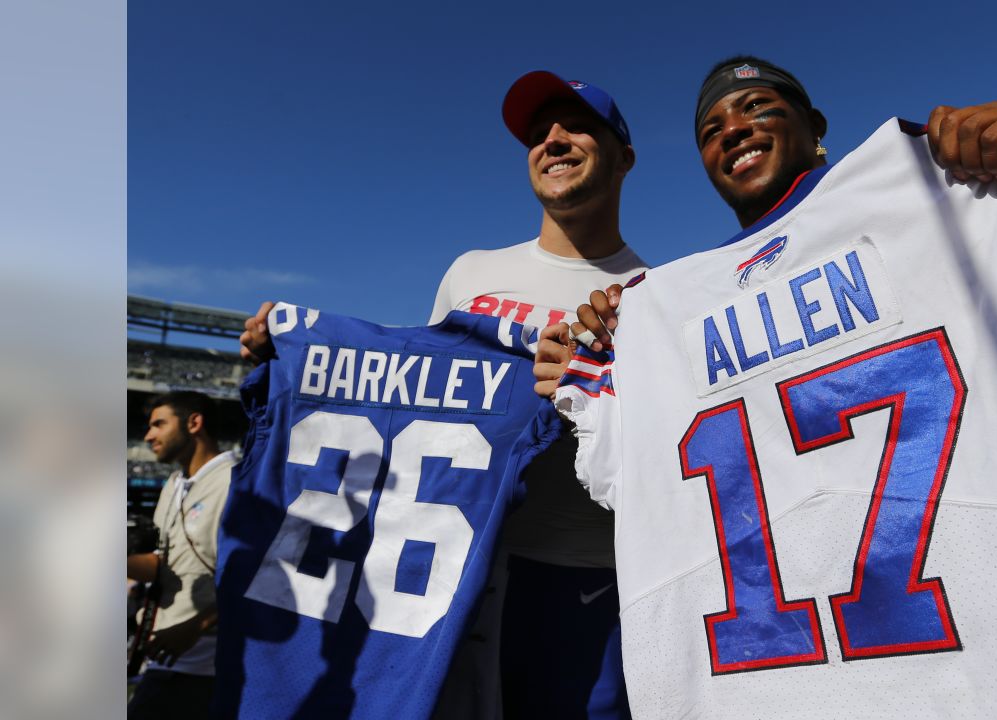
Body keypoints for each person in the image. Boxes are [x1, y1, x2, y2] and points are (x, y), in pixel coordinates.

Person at [542, 56, 997, 718]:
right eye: (712, 127)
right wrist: (605, 354)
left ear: (816, 124)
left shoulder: (950, 185)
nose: (734, 129)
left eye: (756, 107)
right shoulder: (654, 313)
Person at [239, 72, 646, 718]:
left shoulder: (656, 294)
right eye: (539, 134)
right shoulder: (471, 272)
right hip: (450, 583)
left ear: (623, 155)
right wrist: (289, 351)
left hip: (582, 580)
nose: (553, 141)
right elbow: (408, 399)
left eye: (576, 126)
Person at [127, 391, 234, 719]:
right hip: (163, 654)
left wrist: (197, 625)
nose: (149, 436)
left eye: (159, 424)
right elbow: (165, 566)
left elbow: (256, 574)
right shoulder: (173, 483)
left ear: (194, 423)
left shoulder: (235, 481)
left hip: (205, 662)